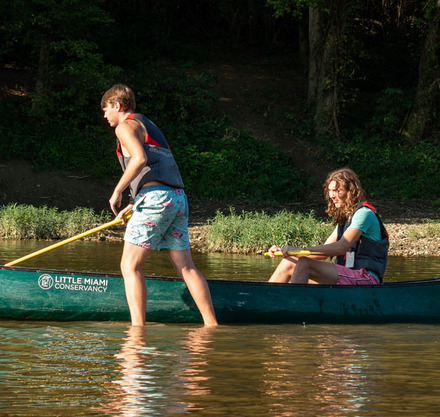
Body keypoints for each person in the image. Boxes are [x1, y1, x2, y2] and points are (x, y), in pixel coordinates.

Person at [101, 84, 218, 326]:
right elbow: (155, 170)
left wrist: (117, 192)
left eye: (105, 110)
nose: (105, 116)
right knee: (186, 267)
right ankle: (211, 325)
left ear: (117, 106)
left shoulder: (124, 126)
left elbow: (140, 159)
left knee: (129, 265)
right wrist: (135, 203)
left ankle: (137, 331)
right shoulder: (146, 124)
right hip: (176, 198)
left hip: (155, 199)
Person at [268, 168, 389, 285]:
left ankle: (295, 305)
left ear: (350, 191)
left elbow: (342, 247)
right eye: (330, 191)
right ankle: (265, 300)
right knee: (289, 263)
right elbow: (323, 253)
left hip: (366, 279)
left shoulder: (364, 214)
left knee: (305, 264)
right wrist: (288, 253)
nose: (331, 195)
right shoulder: (345, 221)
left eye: (336, 190)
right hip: (348, 277)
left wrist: (296, 250)